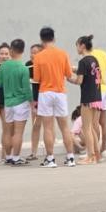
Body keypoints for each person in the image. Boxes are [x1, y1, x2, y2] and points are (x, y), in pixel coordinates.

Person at [31, 26, 78, 169]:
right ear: (54, 38)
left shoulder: (38, 57)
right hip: (60, 92)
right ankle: (70, 157)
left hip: (45, 93)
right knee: (65, 127)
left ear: (41, 40)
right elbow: (68, 74)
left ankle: (50, 159)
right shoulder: (63, 54)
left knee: (48, 127)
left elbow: (36, 79)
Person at [0, 39, 32, 165]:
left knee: (7, 131)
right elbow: (27, 89)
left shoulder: (3, 67)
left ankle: (8, 157)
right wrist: (32, 102)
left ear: (11, 50)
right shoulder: (23, 68)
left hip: (8, 103)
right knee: (18, 132)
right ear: (22, 51)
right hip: (21, 102)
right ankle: (16, 158)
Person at [70, 35, 103, 164]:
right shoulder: (94, 59)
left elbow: (79, 81)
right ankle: (97, 154)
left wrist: (69, 78)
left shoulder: (83, 61)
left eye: (77, 45)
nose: (77, 48)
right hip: (97, 96)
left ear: (82, 46)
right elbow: (91, 75)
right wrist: (76, 70)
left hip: (87, 98)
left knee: (86, 128)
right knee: (92, 128)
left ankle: (90, 156)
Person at [92, 40, 106, 158]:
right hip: (105, 89)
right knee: (103, 121)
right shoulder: (103, 54)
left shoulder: (89, 56)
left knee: (94, 122)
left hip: (96, 90)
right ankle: (104, 149)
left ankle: (95, 151)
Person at [26, 43, 43, 160]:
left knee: (49, 125)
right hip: (34, 98)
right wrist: (31, 101)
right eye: (32, 52)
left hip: (45, 96)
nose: (33, 55)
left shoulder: (44, 64)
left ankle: (50, 152)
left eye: (36, 52)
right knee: (35, 125)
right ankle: (34, 152)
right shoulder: (28, 65)